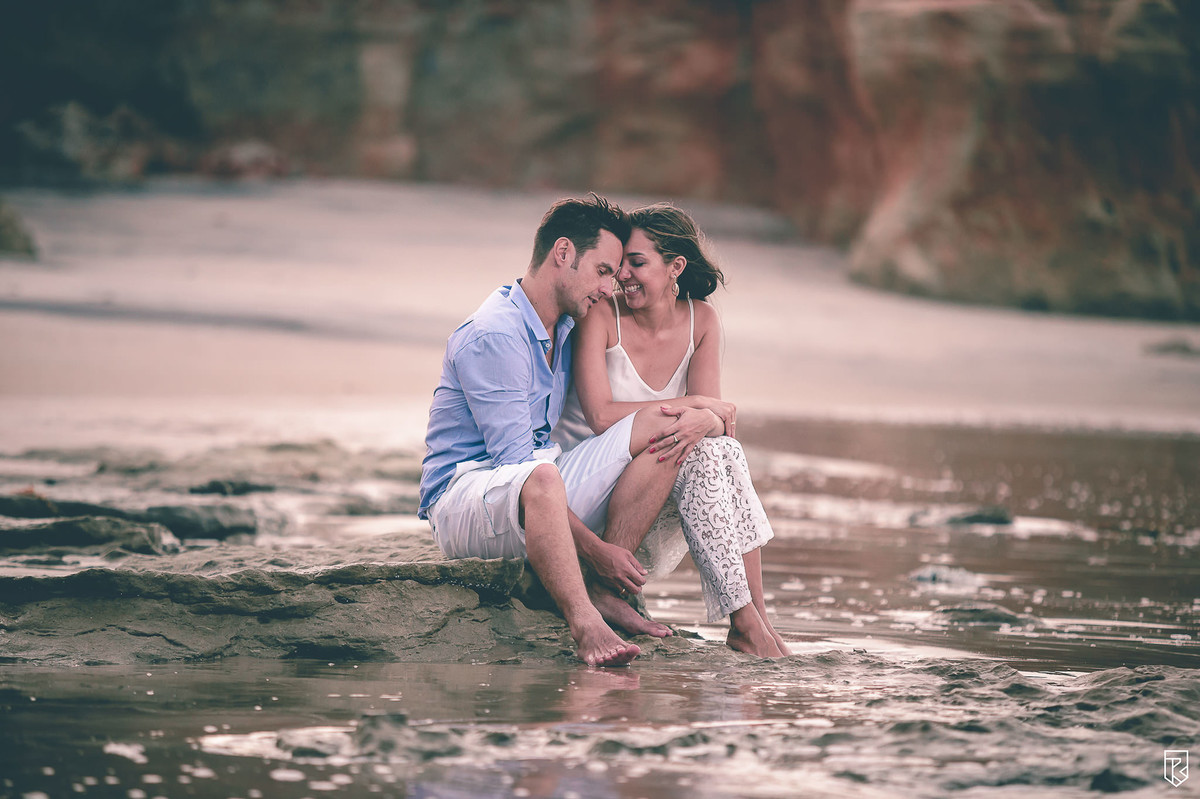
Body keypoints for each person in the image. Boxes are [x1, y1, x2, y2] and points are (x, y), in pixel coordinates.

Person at [418, 194, 688, 667]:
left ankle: (604, 593)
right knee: (541, 478)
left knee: (661, 436)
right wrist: (597, 550)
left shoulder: (563, 326)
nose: (611, 288)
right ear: (563, 254)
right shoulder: (497, 334)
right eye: (604, 271)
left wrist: (702, 410)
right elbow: (518, 466)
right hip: (464, 496)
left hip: (535, 484)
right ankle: (585, 621)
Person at [552, 202, 790, 657]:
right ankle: (745, 622)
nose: (623, 276)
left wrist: (709, 416)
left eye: (637, 263)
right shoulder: (603, 315)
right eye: (622, 264)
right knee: (690, 442)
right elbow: (601, 416)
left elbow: (715, 424)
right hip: (588, 501)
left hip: (648, 503)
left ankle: (755, 616)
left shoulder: (703, 320)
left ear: (675, 266)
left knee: (719, 453)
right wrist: (699, 407)